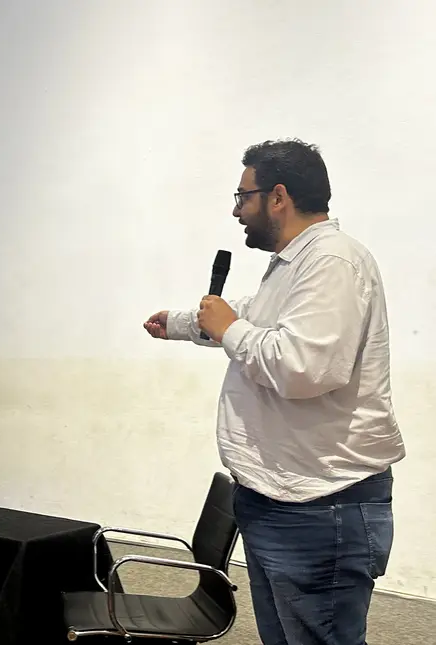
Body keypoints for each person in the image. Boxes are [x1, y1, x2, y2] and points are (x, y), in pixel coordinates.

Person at [143, 139, 405, 645]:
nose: (236, 210)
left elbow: (304, 367)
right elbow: (253, 317)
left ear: (278, 197)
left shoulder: (333, 262)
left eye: (243, 197)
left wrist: (228, 329)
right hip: (282, 499)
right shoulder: (296, 263)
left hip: (320, 506)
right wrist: (182, 323)